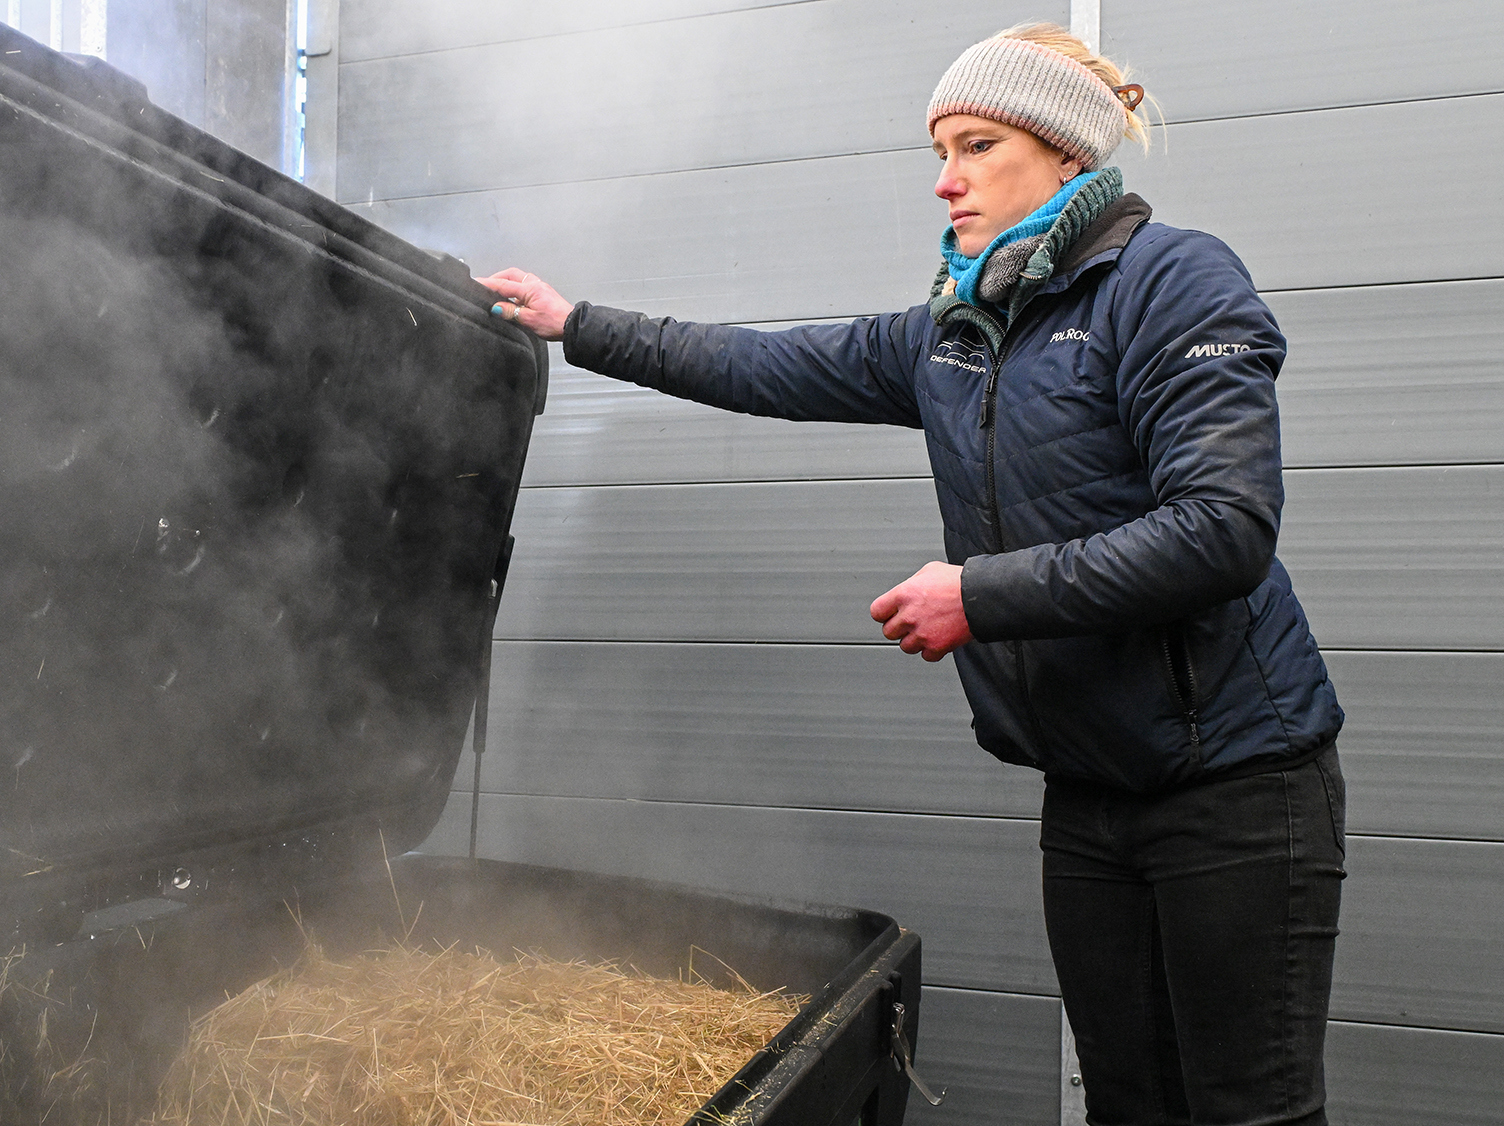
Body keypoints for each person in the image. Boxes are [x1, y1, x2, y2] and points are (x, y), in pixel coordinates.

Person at [477, 23, 1346, 1126]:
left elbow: (1221, 530)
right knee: (1128, 1105)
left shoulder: (1170, 281)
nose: (946, 180)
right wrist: (577, 325)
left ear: (1065, 153)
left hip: (1237, 788)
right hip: (1089, 789)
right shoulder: (957, 332)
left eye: (977, 146)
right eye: (940, 151)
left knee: (1249, 1112)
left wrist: (976, 596)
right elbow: (761, 365)